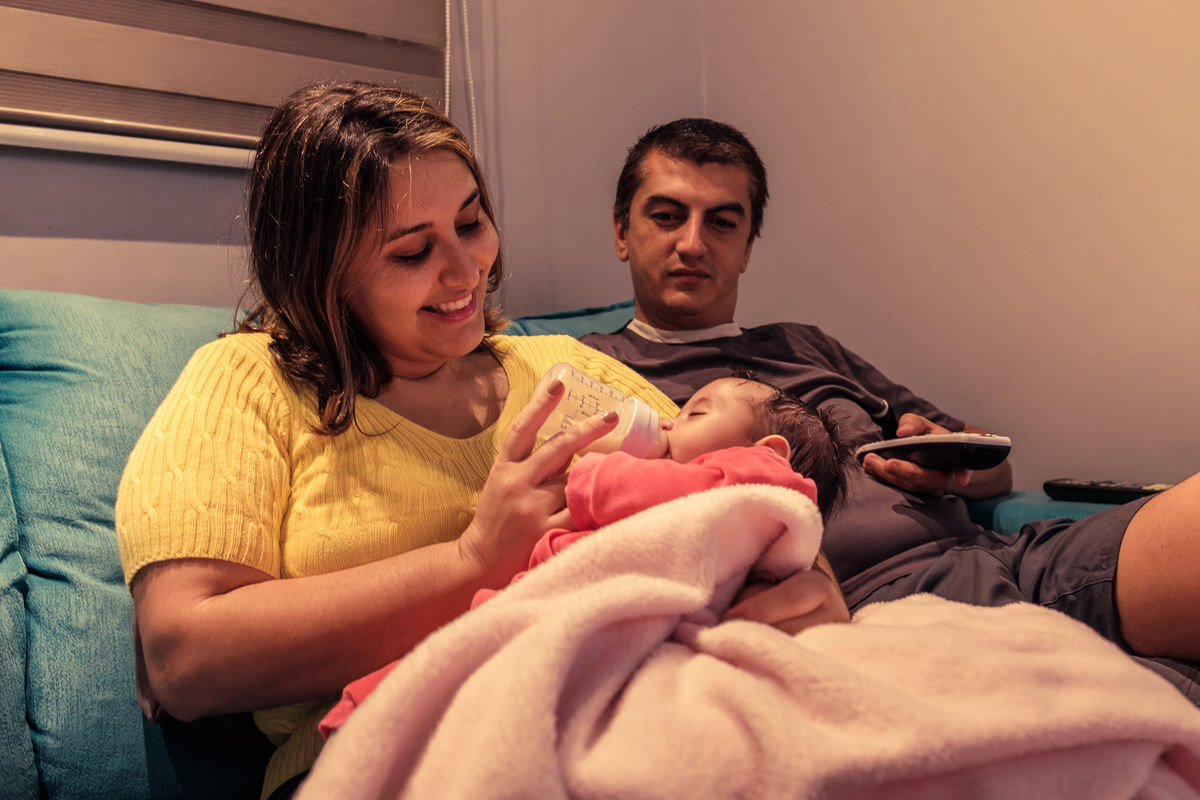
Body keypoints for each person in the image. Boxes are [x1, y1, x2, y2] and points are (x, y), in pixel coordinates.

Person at [113, 81, 687, 799]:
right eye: (413, 252)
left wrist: (805, 587)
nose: (464, 269)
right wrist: (474, 561)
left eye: (471, 223)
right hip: (387, 758)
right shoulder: (248, 382)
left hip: (633, 711)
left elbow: (737, 488)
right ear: (322, 273)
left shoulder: (566, 372)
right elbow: (185, 657)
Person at [581, 117, 1200, 701]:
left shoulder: (804, 344)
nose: (693, 243)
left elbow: (996, 466)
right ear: (619, 231)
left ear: (746, 247)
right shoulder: (594, 373)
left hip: (1017, 556)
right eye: (667, 216)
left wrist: (950, 461)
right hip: (893, 608)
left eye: (722, 222)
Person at [318, 372, 857, 738]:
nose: (666, 421)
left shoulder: (752, 478)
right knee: (460, 653)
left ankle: (378, 717)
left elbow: (644, 493)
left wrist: (589, 470)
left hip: (594, 620)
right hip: (552, 599)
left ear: (769, 454)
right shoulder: (726, 481)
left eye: (693, 413)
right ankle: (372, 712)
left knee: (473, 662)